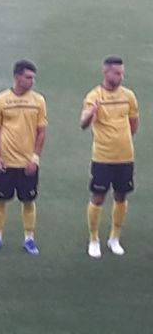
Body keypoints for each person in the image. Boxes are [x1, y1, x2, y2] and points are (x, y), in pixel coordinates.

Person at [0, 60, 48, 255]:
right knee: (0, 200)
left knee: (28, 201)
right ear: (17, 77)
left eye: (33, 78)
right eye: (28, 77)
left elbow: (41, 132)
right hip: (6, 162)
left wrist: (35, 158)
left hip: (28, 163)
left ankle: (29, 239)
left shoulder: (38, 101)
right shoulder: (0, 101)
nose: (32, 81)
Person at [80, 56, 139, 258]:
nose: (121, 77)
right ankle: (94, 239)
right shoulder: (94, 96)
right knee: (98, 197)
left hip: (125, 157)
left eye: (122, 73)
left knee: (121, 196)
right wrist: (91, 114)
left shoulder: (128, 96)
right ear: (106, 72)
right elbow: (83, 124)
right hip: (102, 157)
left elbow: (133, 124)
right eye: (117, 73)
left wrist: (121, 140)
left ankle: (115, 238)